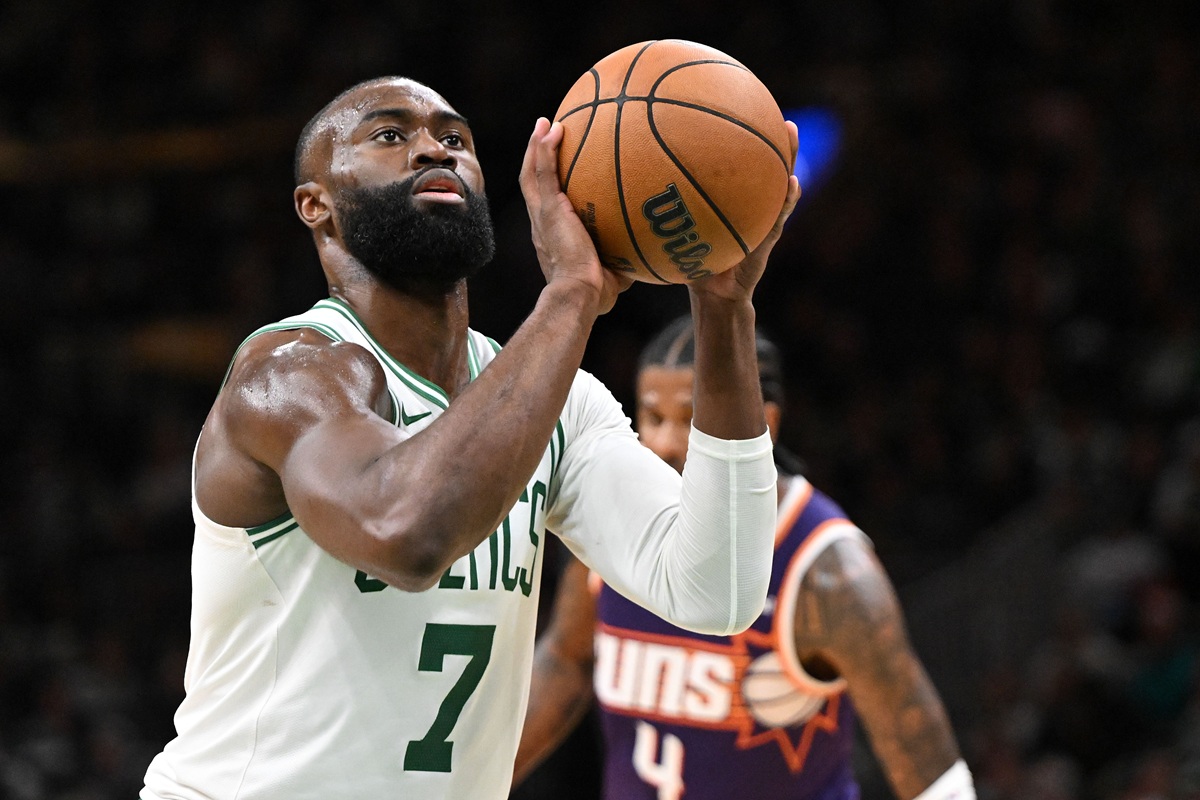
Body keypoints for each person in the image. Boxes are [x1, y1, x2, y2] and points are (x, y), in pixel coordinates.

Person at [138, 75, 801, 800]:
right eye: (390, 135)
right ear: (315, 205)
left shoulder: (558, 402)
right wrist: (572, 294)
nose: (434, 149)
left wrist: (723, 309)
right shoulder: (289, 374)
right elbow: (404, 532)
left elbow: (715, 591)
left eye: (455, 138)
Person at [515, 316, 977, 800]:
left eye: (691, 420)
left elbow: (937, 783)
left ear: (763, 424)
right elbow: (565, 662)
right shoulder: (614, 522)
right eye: (653, 418)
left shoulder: (827, 570)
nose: (665, 444)